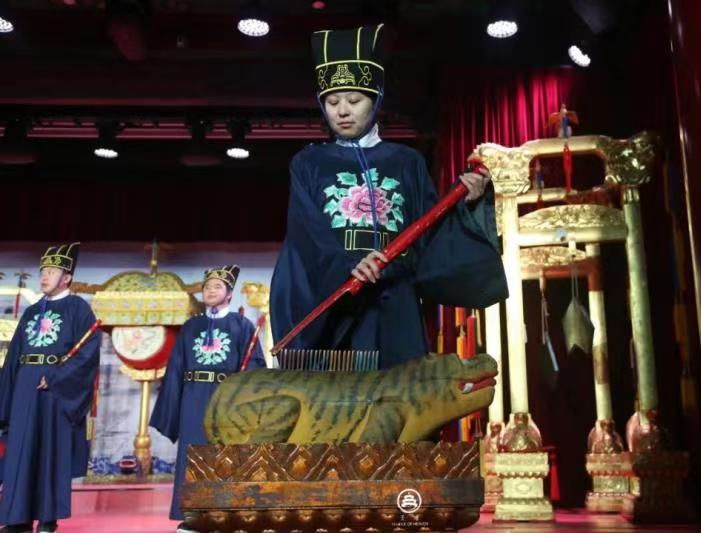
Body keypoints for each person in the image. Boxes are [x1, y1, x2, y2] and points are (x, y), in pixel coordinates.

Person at [270, 25, 508, 368]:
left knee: (399, 394)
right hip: (338, 298)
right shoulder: (309, 163)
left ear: (376, 99)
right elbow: (306, 235)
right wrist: (347, 267)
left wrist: (466, 204)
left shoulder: (406, 162)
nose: (342, 111)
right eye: (332, 102)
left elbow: (430, 234)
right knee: (340, 395)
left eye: (354, 100)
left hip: (395, 298)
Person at [150, 265, 266, 533]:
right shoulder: (191, 326)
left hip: (224, 400)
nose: (210, 291)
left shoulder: (242, 325)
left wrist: (242, 401)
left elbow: (254, 368)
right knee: (191, 454)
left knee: (224, 455)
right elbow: (176, 366)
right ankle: (191, 516)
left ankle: (223, 513)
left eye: (217, 287)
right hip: (193, 397)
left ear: (229, 293)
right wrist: (173, 403)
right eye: (206, 287)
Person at [0, 243, 101, 533]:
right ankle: (18, 519)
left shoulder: (79, 309)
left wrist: (57, 377)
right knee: (20, 451)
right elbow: (14, 355)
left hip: (54, 391)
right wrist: (7, 396)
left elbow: (87, 354)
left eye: (52, 271)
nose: (44, 276)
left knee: (48, 453)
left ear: (66, 277)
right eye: (43, 271)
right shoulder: (32, 311)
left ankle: (47, 518)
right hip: (25, 385)